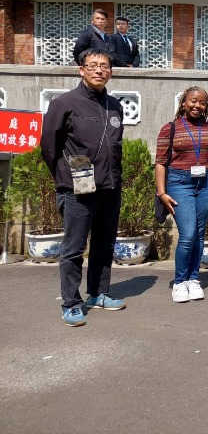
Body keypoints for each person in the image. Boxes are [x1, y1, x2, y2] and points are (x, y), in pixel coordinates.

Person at [41, 49, 126, 326]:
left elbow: (116, 147)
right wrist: (65, 177)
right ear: (81, 70)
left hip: (109, 188)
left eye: (104, 66)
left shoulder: (114, 106)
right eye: (93, 65)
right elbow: (49, 148)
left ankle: (99, 293)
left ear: (111, 72)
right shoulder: (64, 103)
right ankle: (71, 302)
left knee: (104, 245)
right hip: (77, 190)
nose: (99, 70)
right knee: (74, 248)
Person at [156, 87, 208, 303]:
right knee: (187, 234)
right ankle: (179, 282)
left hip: (207, 183)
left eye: (202, 102)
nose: (197, 106)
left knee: (200, 234)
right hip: (179, 184)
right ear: (183, 102)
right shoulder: (170, 129)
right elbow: (159, 162)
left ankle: (194, 279)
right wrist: (162, 192)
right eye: (193, 101)